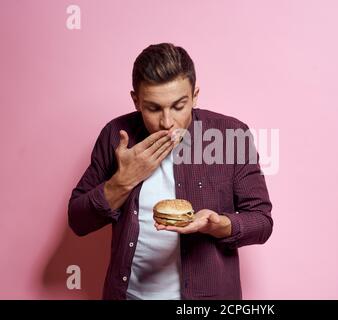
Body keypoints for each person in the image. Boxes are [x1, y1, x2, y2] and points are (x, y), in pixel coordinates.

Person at [68, 42, 273, 300]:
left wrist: (219, 225)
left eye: (178, 106)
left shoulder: (231, 136)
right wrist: (122, 182)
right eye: (153, 108)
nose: (167, 122)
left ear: (195, 96)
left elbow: (262, 222)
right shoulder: (116, 136)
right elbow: (78, 220)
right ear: (136, 100)